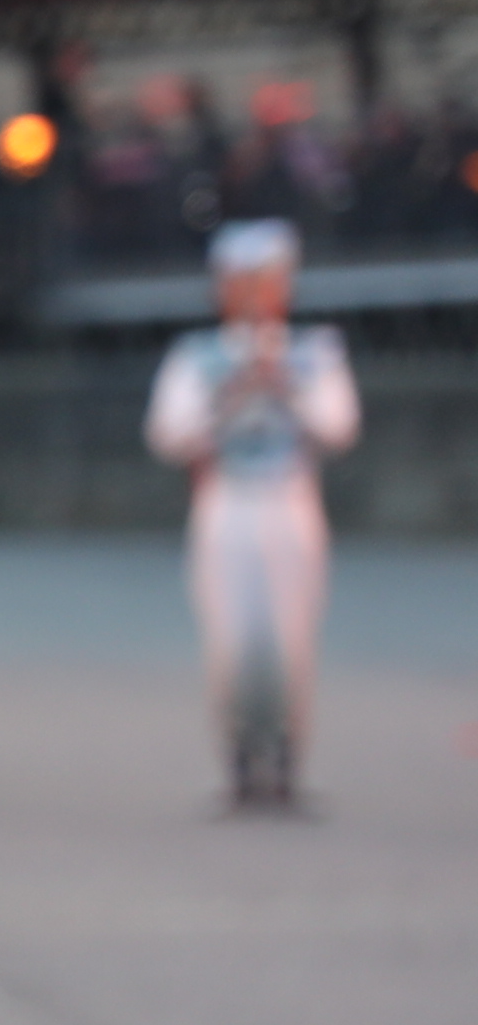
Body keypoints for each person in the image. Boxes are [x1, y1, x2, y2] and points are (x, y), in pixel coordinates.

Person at [146, 220, 359, 810]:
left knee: (291, 636)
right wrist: (230, 394)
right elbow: (169, 433)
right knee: (231, 636)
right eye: (240, 283)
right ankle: (239, 763)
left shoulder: (313, 351)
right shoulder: (198, 356)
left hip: (290, 500)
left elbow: (339, 427)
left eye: (265, 283)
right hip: (226, 502)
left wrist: (285, 384)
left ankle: (287, 763)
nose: (253, 297)